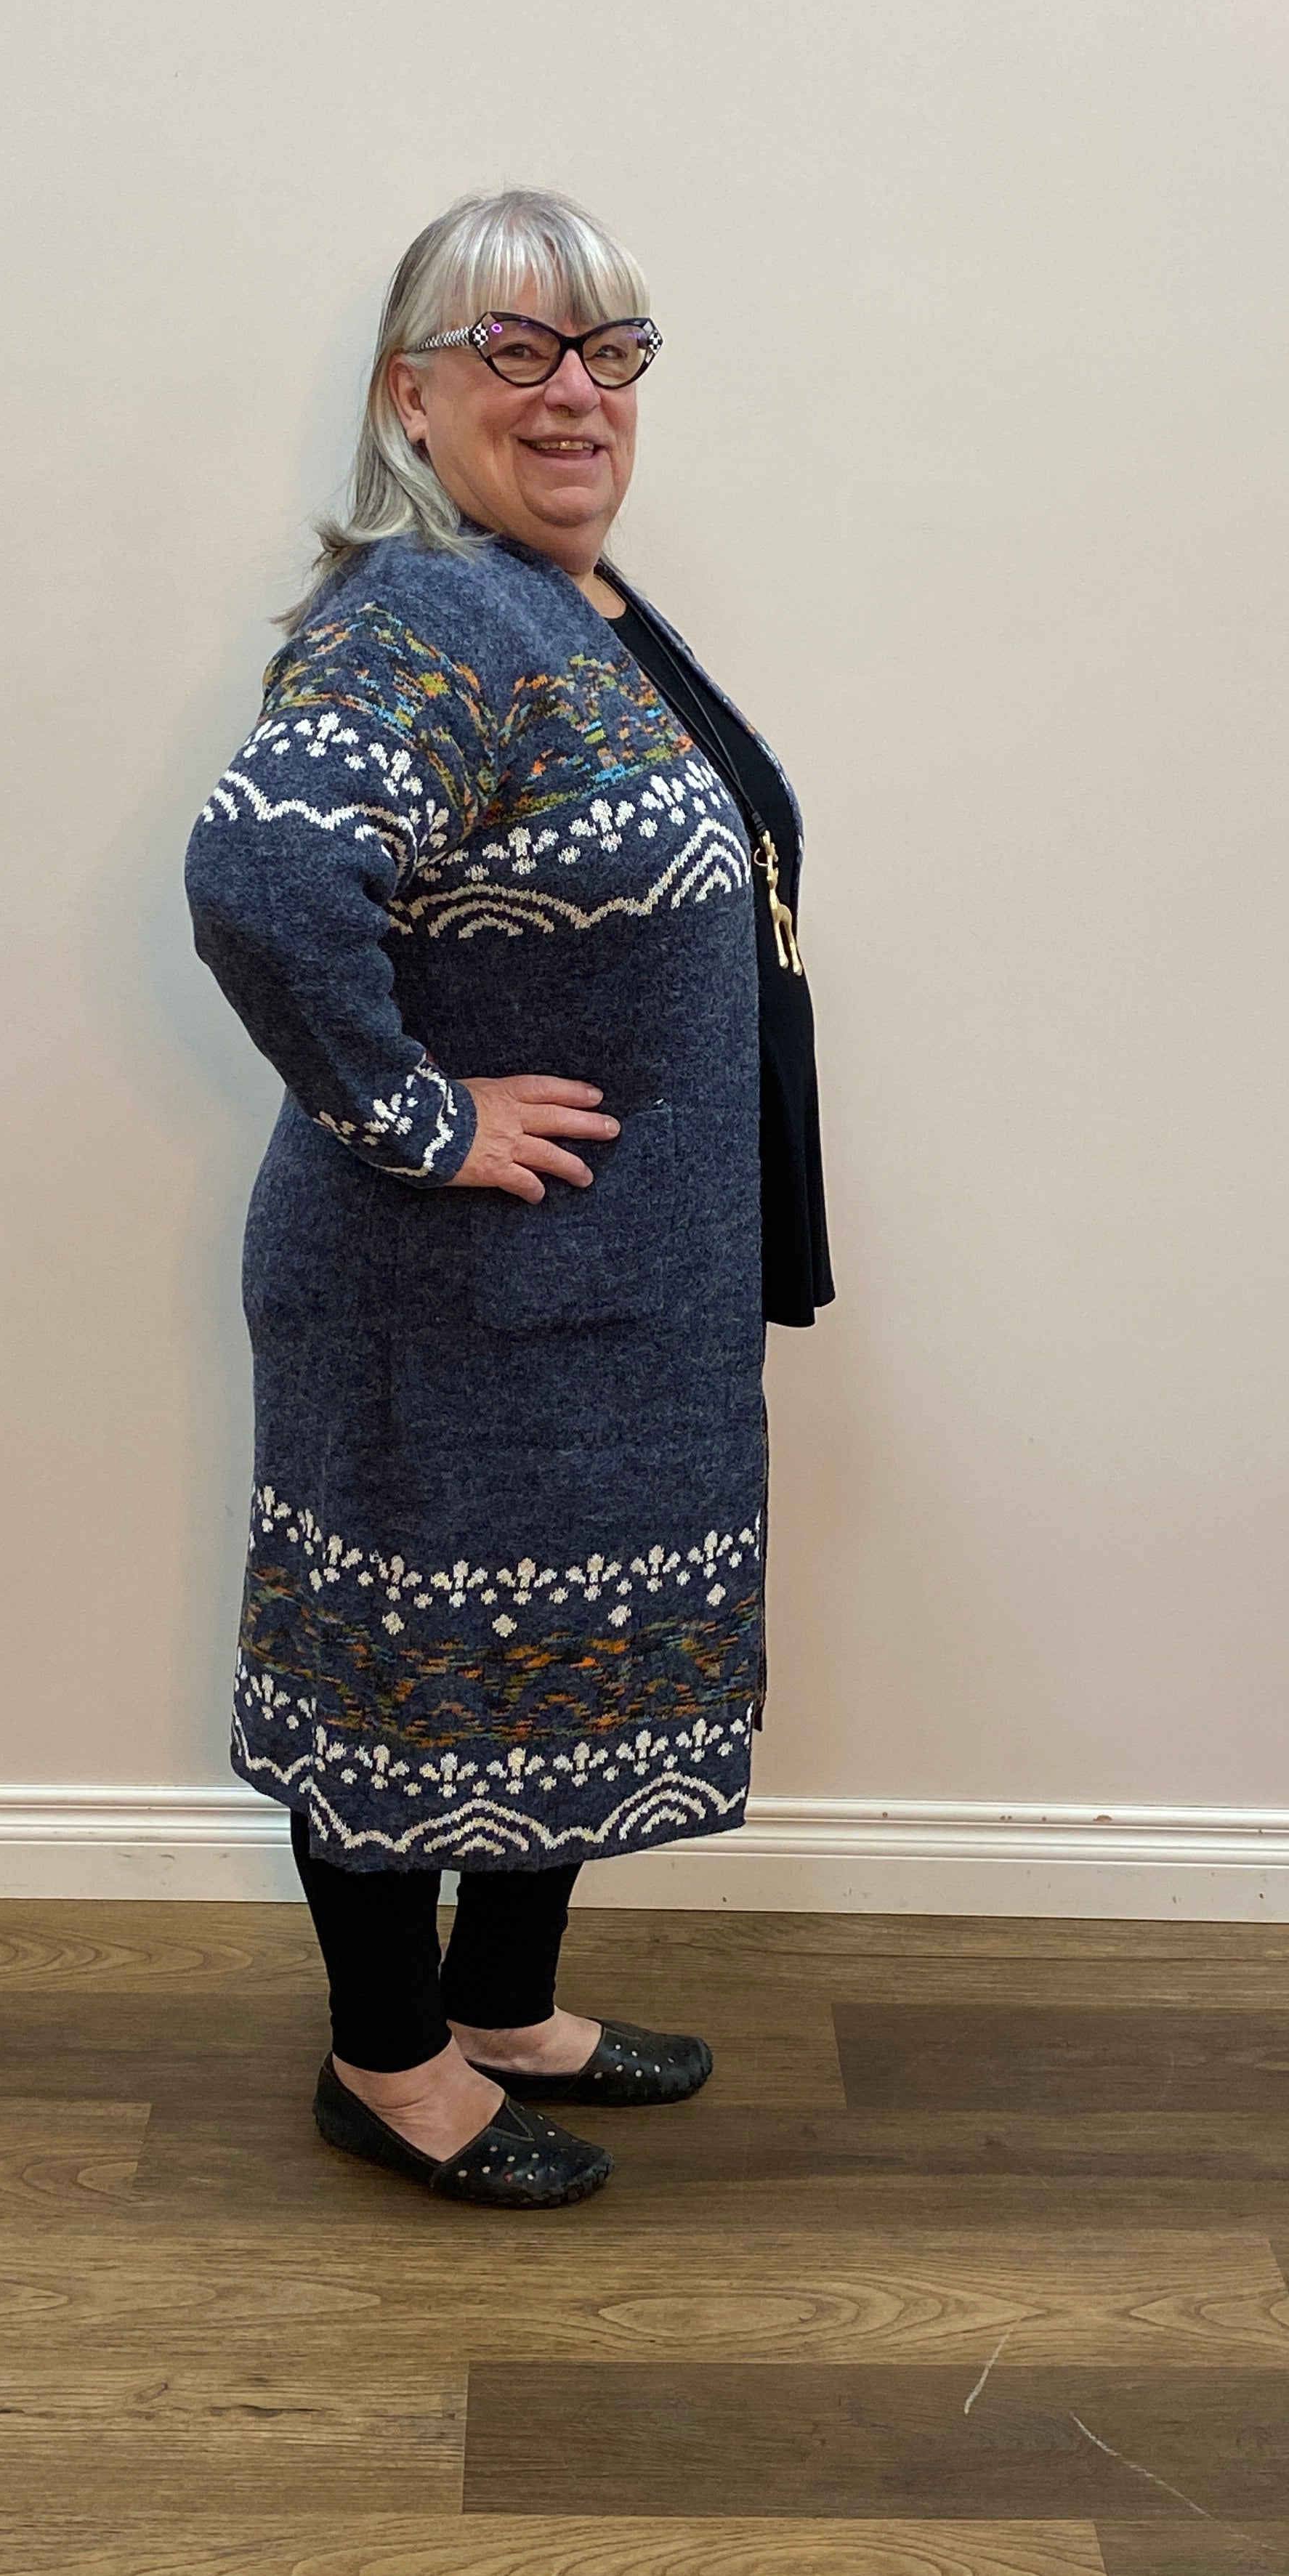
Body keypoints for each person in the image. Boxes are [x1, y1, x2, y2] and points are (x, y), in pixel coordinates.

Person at [185, 187, 831, 2208]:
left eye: (610, 351)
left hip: (598, 1286)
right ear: (411, 396)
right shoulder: (432, 614)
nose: (575, 394)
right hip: (444, 1287)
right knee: (407, 1668)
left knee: (538, 1654)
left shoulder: (575, 603)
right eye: (517, 349)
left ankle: (505, 2007)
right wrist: (418, 1117)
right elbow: (262, 876)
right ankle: (387, 2062)